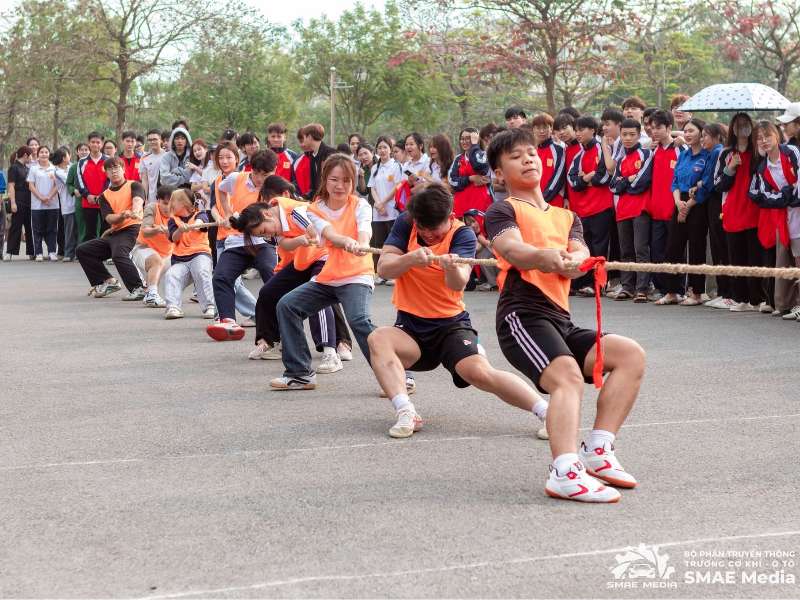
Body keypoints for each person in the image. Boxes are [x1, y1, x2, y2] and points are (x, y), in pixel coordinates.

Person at [485, 127, 646, 503]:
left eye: (530, 153)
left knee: (630, 355)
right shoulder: (502, 210)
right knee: (567, 378)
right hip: (522, 315)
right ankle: (565, 472)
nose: (527, 159)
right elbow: (512, 248)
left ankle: (599, 450)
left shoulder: (567, 216)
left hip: (560, 318)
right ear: (499, 173)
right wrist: (543, 257)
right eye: (515, 156)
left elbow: (580, 252)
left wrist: (576, 261)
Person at [368, 183, 549, 439]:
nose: (428, 234)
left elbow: (458, 283)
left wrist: (451, 267)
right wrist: (410, 258)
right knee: (378, 338)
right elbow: (384, 268)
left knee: (479, 373)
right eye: (423, 228)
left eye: (435, 229)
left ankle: (547, 412)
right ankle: (406, 412)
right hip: (410, 327)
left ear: (450, 217)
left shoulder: (462, 234)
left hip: (450, 326)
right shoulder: (406, 222)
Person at [270, 154, 377, 390]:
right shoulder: (313, 209)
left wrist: (361, 243)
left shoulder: (361, 205)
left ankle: (399, 375)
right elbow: (329, 233)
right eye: (334, 179)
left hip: (357, 274)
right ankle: (300, 374)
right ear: (325, 180)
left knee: (359, 320)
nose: (340, 186)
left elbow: (365, 230)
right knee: (287, 305)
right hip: (329, 276)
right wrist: (345, 240)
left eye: (346, 180)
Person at [250, 182, 346, 373]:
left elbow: (308, 222)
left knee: (317, 294)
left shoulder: (294, 210)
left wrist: (310, 232)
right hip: (301, 262)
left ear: (267, 214)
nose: (266, 235)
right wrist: (300, 240)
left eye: (263, 231)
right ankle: (271, 342)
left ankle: (331, 352)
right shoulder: (274, 224)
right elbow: (285, 244)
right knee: (268, 292)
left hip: (323, 257)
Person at [207, 150, 278, 341]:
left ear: (274, 171)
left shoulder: (276, 187)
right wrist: (228, 213)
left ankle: (278, 319)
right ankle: (228, 321)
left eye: (266, 174)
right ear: (250, 169)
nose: (261, 179)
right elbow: (221, 189)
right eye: (257, 173)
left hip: (264, 242)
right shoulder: (236, 178)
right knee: (221, 276)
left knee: (271, 274)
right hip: (237, 241)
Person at [748, 121, 800, 317]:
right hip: (783, 216)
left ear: (777, 136)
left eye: (767, 136)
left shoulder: (792, 152)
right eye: (759, 138)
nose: (764, 141)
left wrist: (788, 196)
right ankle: (789, 304)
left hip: (796, 212)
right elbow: (765, 197)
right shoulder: (763, 167)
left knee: (798, 258)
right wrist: (787, 195)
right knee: (787, 260)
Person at [714, 112, 764, 312]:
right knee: (736, 256)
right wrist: (731, 168)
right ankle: (740, 298)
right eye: (738, 124)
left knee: (755, 257)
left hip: (755, 211)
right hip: (733, 211)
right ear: (732, 128)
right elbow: (718, 184)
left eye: (745, 123)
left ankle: (756, 298)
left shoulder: (758, 152)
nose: (742, 127)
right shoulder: (725, 153)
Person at [75, 157, 145, 299]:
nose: (114, 171)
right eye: (110, 169)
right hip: (115, 232)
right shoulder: (104, 196)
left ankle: (138, 288)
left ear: (123, 169)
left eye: (117, 168)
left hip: (133, 229)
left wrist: (135, 210)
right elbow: (109, 218)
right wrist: (122, 215)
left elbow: (138, 200)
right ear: (106, 173)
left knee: (119, 254)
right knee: (83, 250)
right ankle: (109, 282)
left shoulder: (134, 185)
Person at [657, 118, 709, 306]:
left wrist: (688, 205)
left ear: (701, 133)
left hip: (697, 204)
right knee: (673, 247)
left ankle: (696, 292)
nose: (687, 134)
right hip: (679, 201)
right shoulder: (683, 155)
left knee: (696, 248)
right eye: (685, 131)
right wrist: (679, 202)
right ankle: (672, 291)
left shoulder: (707, 156)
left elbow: (706, 184)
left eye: (691, 131)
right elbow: (675, 182)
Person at [566, 115, 614, 296]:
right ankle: (584, 282)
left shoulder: (602, 149)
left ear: (593, 130)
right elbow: (573, 182)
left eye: (581, 129)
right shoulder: (578, 155)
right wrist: (587, 177)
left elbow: (604, 177)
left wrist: (585, 178)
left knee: (600, 248)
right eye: (576, 130)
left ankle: (599, 284)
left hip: (601, 206)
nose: (578, 133)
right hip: (583, 209)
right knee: (584, 248)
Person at [610, 119, 654, 302]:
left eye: (632, 134)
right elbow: (613, 186)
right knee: (626, 250)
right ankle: (627, 287)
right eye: (624, 134)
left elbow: (642, 182)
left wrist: (625, 181)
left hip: (640, 209)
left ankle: (642, 288)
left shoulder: (647, 154)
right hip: (622, 210)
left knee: (641, 249)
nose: (627, 138)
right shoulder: (620, 160)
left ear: (639, 135)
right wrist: (628, 180)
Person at [644, 109, 684, 298]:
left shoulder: (679, 149)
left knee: (674, 251)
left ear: (669, 127)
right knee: (657, 251)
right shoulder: (653, 150)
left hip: (674, 209)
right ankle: (662, 289)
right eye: (652, 128)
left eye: (658, 127)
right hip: (656, 210)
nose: (654, 131)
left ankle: (677, 290)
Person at [162, 188, 216, 319]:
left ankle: (210, 306)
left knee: (201, 271)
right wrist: (180, 230)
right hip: (180, 260)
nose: (171, 204)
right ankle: (173, 307)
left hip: (200, 255)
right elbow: (174, 238)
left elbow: (201, 223)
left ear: (184, 203)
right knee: (171, 275)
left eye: (174, 201)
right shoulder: (173, 220)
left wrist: (194, 225)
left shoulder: (200, 214)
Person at [696, 123, 733, 309]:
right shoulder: (711, 152)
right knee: (717, 248)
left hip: (718, 202)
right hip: (712, 202)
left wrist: (700, 186)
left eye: (706, 135)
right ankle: (722, 291)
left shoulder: (719, 151)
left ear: (718, 136)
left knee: (721, 248)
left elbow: (711, 181)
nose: (702, 139)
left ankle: (728, 293)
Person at [366, 136, 402, 282]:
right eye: (379, 148)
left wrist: (384, 202)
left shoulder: (396, 166)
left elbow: (397, 186)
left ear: (390, 149)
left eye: (385, 147)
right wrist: (378, 203)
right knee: (378, 242)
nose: (382, 150)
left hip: (391, 210)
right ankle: (380, 273)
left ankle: (393, 274)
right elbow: (372, 187)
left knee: (392, 243)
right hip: (378, 211)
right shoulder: (375, 168)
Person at [132, 184, 174, 308]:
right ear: (158, 201)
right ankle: (152, 295)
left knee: (194, 262)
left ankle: (202, 296)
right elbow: (145, 231)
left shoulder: (179, 211)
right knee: (156, 261)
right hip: (142, 248)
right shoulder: (151, 208)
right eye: (164, 203)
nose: (168, 207)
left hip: (167, 255)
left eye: (171, 203)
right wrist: (157, 230)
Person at [448, 128, 492, 217]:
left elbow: (480, 167)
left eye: (468, 138)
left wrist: (474, 148)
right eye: (462, 139)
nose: (464, 141)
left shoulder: (484, 156)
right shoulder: (458, 159)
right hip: (461, 205)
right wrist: (470, 178)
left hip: (480, 202)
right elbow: (452, 181)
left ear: (476, 139)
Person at [76, 132, 110, 242]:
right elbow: (79, 181)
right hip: (88, 202)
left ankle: (105, 252)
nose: (95, 144)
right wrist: (87, 195)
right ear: (89, 143)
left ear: (102, 144)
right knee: (90, 232)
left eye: (98, 142)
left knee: (106, 230)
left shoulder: (108, 160)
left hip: (106, 201)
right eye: (93, 142)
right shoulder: (82, 162)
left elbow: (111, 180)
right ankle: (91, 252)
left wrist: (102, 196)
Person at [27, 146, 59, 261]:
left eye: (46, 152)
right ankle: (39, 253)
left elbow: (58, 185)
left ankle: (52, 252)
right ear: (38, 154)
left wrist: (49, 197)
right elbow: (31, 186)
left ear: (49, 154)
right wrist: (41, 198)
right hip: (37, 205)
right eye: (42, 152)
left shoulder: (54, 168)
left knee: (52, 229)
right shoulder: (33, 169)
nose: (44, 154)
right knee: (37, 230)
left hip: (53, 204)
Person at [531, 114, 566, 208]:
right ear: (533, 129)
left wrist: (543, 198)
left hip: (553, 201)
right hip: (534, 202)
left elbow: (558, 177)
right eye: (538, 128)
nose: (542, 131)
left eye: (545, 127)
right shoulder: (532, 151)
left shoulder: (558, 150)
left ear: (551, 129)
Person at [5, 146, 34, 260]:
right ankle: (10, 252)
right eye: (31, 155)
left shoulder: (27, 168)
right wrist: (13, 203)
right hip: (18, 200)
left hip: (29, 201)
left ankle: (32, 252)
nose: (32, 158)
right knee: (16, 227)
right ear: (25, 155)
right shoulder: (14, 168)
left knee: (29, 227)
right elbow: (11, 186)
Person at [462, 208, 499, 291]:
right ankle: (492, 282)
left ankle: (495, 282)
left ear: (480, 219)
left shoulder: (494, 228)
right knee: (480, 253)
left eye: (474, 221)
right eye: (469, 224)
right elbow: (475, 249)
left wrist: (485, 242)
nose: (472, 225)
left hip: (505, 265)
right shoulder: (474, 235)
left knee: (484, 254)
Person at [52, 147, 77, 262]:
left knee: (77, 230)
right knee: (69, 231)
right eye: (68, 155)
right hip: (67, 205)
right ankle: (68, 253)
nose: (70, 157)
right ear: (63, 158)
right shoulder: (57, 172)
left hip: (77, 204)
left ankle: (77, 253)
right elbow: (70, 181)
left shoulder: (72, 166)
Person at [301, 123, 336, 201]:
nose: (303, 141)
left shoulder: (331, 154)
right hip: (319, 200)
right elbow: (313, 186)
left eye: (304, 137)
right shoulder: (312, 156)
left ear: (310, 137)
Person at [66, 143, 89, 243]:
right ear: (77, 152)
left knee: (95, 228)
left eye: (86, 150)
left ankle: (95, 250)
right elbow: (68, 183)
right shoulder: (74, 167)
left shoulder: (93, 164)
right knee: (81, 228)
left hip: (93, 201)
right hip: (80, 202)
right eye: (81, 150)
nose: (84, 152)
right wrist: (74, 190)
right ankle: (81, 249)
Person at [139, 129, 164, 204]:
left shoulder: (167, 155)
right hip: (151, 199)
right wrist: (145, 198)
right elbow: (144, 180)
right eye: (150, 140)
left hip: (165, 197)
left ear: (161, 140)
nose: (152, 142)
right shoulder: (144, 158)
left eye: (155, 139)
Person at [188, 139, 211, 210]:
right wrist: (204, 185)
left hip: (210, 201)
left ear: (206, 149)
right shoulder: (198, 167)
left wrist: (196, 168)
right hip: (199, 202)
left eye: (199, 149)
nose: (197, 152)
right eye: (194, 151)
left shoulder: (212, 164)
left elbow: (210, 179)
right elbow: (192, 188)